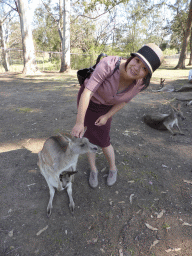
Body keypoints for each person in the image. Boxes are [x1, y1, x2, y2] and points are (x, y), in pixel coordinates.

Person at [71, 43, 164, 188]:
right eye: (137, 60)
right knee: (88, 137)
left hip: (106, 107)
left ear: (147, 75)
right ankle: (93, 170)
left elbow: (124, 101)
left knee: (104, 141)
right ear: (131, 57)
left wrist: (107, 116)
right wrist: (79, 122)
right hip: (89, 100)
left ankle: (113, 168)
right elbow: (87, 92)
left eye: (144, 68)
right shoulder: (109, 64)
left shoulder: (140, 84)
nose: (137, 68)